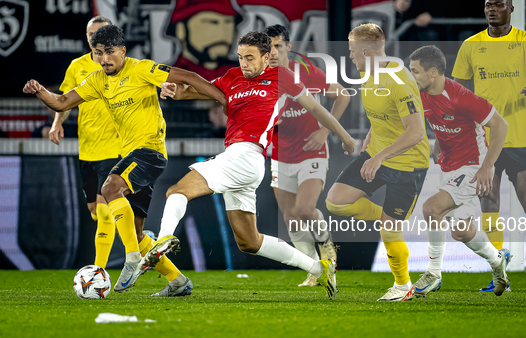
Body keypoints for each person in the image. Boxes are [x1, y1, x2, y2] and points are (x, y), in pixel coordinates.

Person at [143, 31, 356, 299]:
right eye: (241, 57)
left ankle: (162, 240)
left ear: (267, 57)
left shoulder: (283, 78)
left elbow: (316, 109)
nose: (244, 63)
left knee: (177, 191)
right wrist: (177, 91)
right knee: (249, 242)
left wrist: (345, 137)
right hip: (242, 161)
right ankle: (318, 268)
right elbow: (201, 91)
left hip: (248, 154)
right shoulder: (232, 77)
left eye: (250, 58)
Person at [22, 24, 227, 296]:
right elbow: (61, 102)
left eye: (109, 52)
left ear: (122, 51)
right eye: (98, 53)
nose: (104, 59)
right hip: (132, 155)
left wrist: (222, 99)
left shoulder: (141, 69)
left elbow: (187, 75)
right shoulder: (96, 80)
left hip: (149, 151)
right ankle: (178, 282)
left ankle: (131, 259)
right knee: (138, 233)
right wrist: (39, 91)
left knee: (109, 189)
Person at [452, 0, 526, 291]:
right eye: (488, 4)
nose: (492, 9)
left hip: (521, 138)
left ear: (510, 9)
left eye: (498, 5)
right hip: (484, 141)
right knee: (489, 203)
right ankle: (499, 270)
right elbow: (457, 93)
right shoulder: (471, 45)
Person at [325, 23, 430, 301]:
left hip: (408, 163)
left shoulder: (398, 80)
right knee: (335, 201)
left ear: (367, 51)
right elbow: (384, 114)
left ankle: (403, 285)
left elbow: (417, 132)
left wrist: (380, 156)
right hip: (378, 152)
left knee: (390, 228)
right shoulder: (366, 72)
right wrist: (372, 137)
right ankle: (388, 221)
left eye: (352, 52)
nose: (350, 57)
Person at [407, 45, 510, 297]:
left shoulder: (461, 96)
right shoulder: (421, 94)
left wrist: (488, 167)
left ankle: (433, 272)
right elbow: (443, 121)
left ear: (433, 73)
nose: (412, 77)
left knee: (431, 208)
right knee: (461, 231)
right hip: (449, 165)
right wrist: (438, 144)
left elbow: (500, 125)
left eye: (415, 72)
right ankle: (498, 262)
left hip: (473, 165)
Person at [265, 24, 350, 287]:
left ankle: (328, 252)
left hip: (311, 151)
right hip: (280, 154)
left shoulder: (305, 73)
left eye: (278, 46)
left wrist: (325, 131)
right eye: (267, 48)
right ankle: (314, 269)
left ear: (288, 47)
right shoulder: (261, 77)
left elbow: (343, 95)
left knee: (304, 210)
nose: (273, 53)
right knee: (290, 217)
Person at [46, 16, 120, 269]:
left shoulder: (120, 65)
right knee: (94, 209)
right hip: (88, 149)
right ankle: (144, 241)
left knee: (103, 210)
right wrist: (58, 123)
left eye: (99, 32)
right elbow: (65, 99)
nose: (93, 37)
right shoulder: (77, 66)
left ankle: (98, 270)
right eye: (90, 33)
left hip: (115, 148)